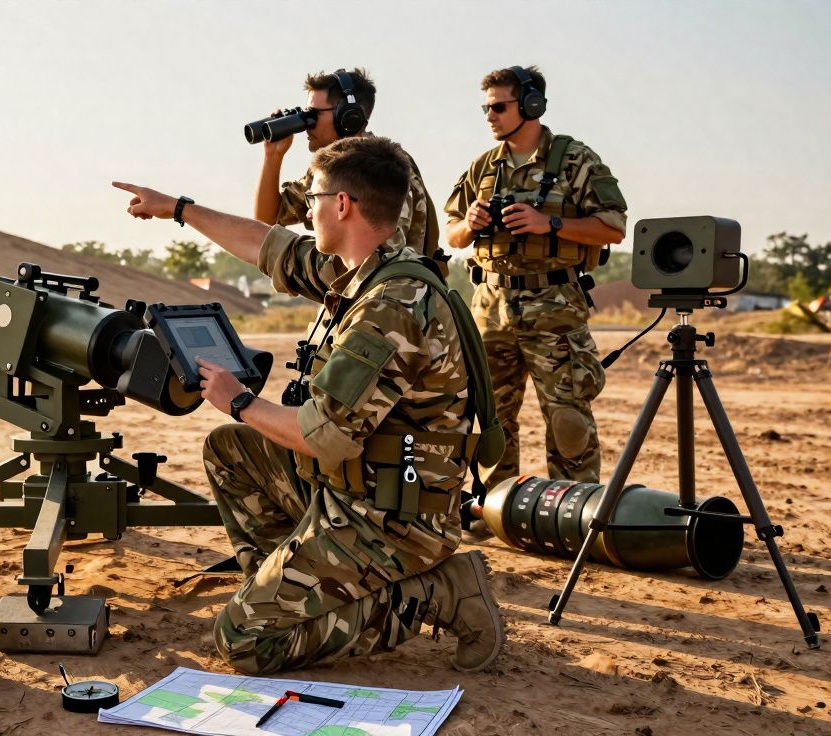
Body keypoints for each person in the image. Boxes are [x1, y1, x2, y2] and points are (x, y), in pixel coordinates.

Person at [114, 135, 503, 676]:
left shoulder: (392, 305)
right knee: (233, 451)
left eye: (314, 196)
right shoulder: (364, 270)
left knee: (245, 643)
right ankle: (294, 584)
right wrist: (176, 209)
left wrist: (241, 400)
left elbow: (324, 436)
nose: (307, 209)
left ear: (342, 205)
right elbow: (266, 244)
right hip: (354, 481)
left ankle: (437, 592)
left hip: (395, 514)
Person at [444, 65, 627, 490]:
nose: (489, 116)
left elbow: (613, 225)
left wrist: (551, 224)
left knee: (567, 416)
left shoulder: (575, 160)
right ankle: (496, 505)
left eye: (498, 106)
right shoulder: (484, 167)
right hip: (490, 309)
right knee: (491, 419)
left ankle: (574, 508)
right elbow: (452, 234)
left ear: (531, 105)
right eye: (485, 108)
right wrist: (470, 223)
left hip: (554, 307)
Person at [254, 68, 446, 272]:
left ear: (348, 117)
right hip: (354, 292)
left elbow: (385, 253)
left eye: (313, 115)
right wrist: (273, 156)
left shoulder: (382, 165)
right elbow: (266, 224)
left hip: (391, 295)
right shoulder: (331, 167)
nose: (307, 126)